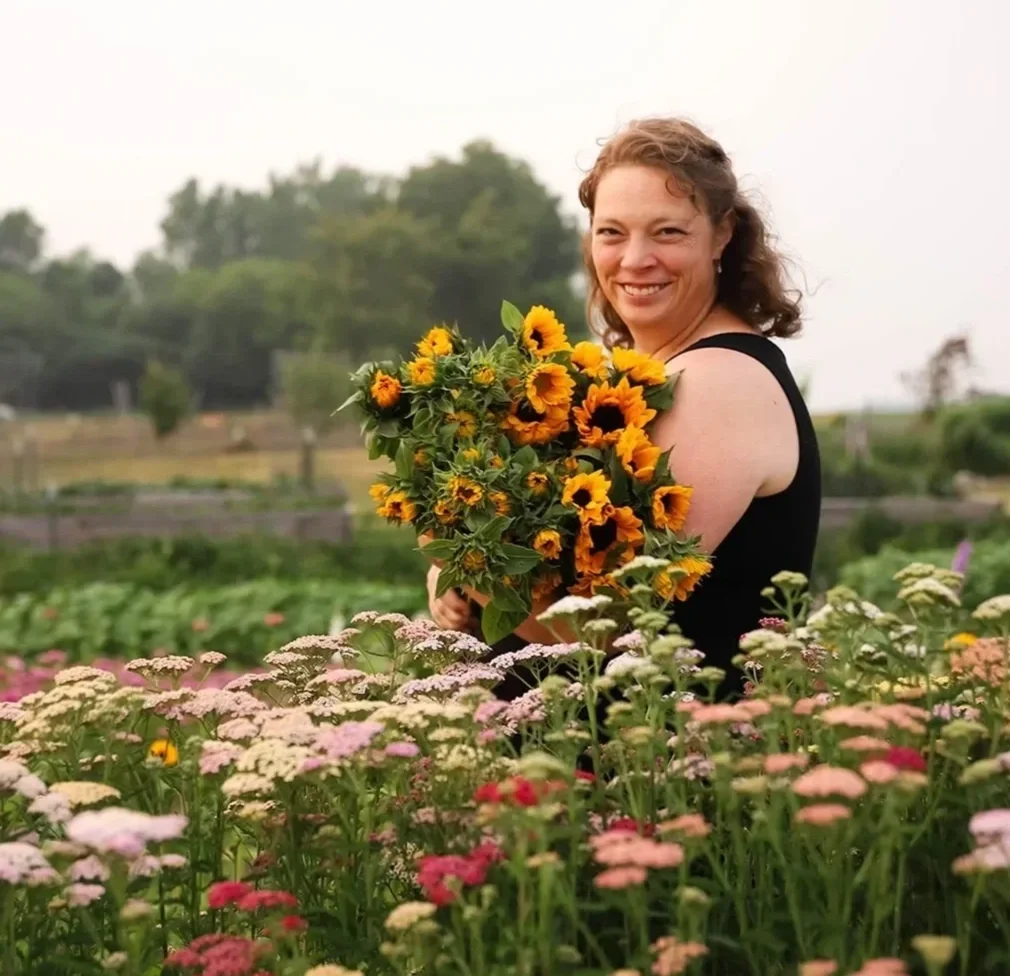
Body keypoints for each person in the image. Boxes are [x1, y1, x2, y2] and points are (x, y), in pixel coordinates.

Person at [426, 116, 821, 700]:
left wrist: (457, 552)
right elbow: (553, 572)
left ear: (722, 235)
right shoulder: (644, 375)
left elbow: (594, 627)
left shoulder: (718, 382)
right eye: (611, 232)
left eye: (667, 232)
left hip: (659, 747)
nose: (635, 259)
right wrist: (459, 577)